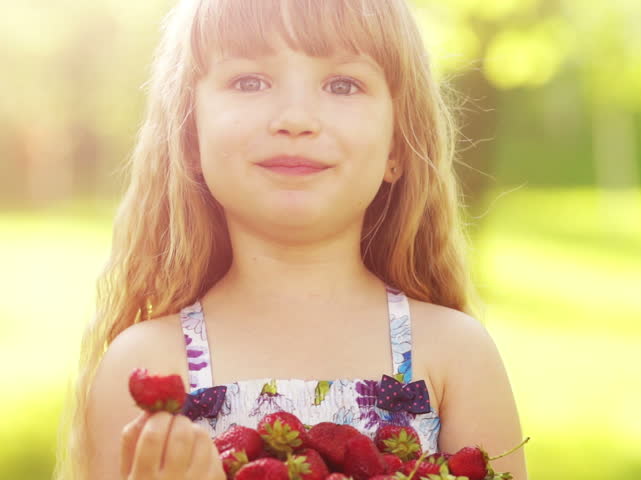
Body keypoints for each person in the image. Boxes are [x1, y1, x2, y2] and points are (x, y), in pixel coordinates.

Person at [55, 1, 527, 479]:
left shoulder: (454, 355)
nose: (296, 118)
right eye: (250, 82)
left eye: (343, 85)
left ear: (397, 146)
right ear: (190, 139)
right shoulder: (145, 367)